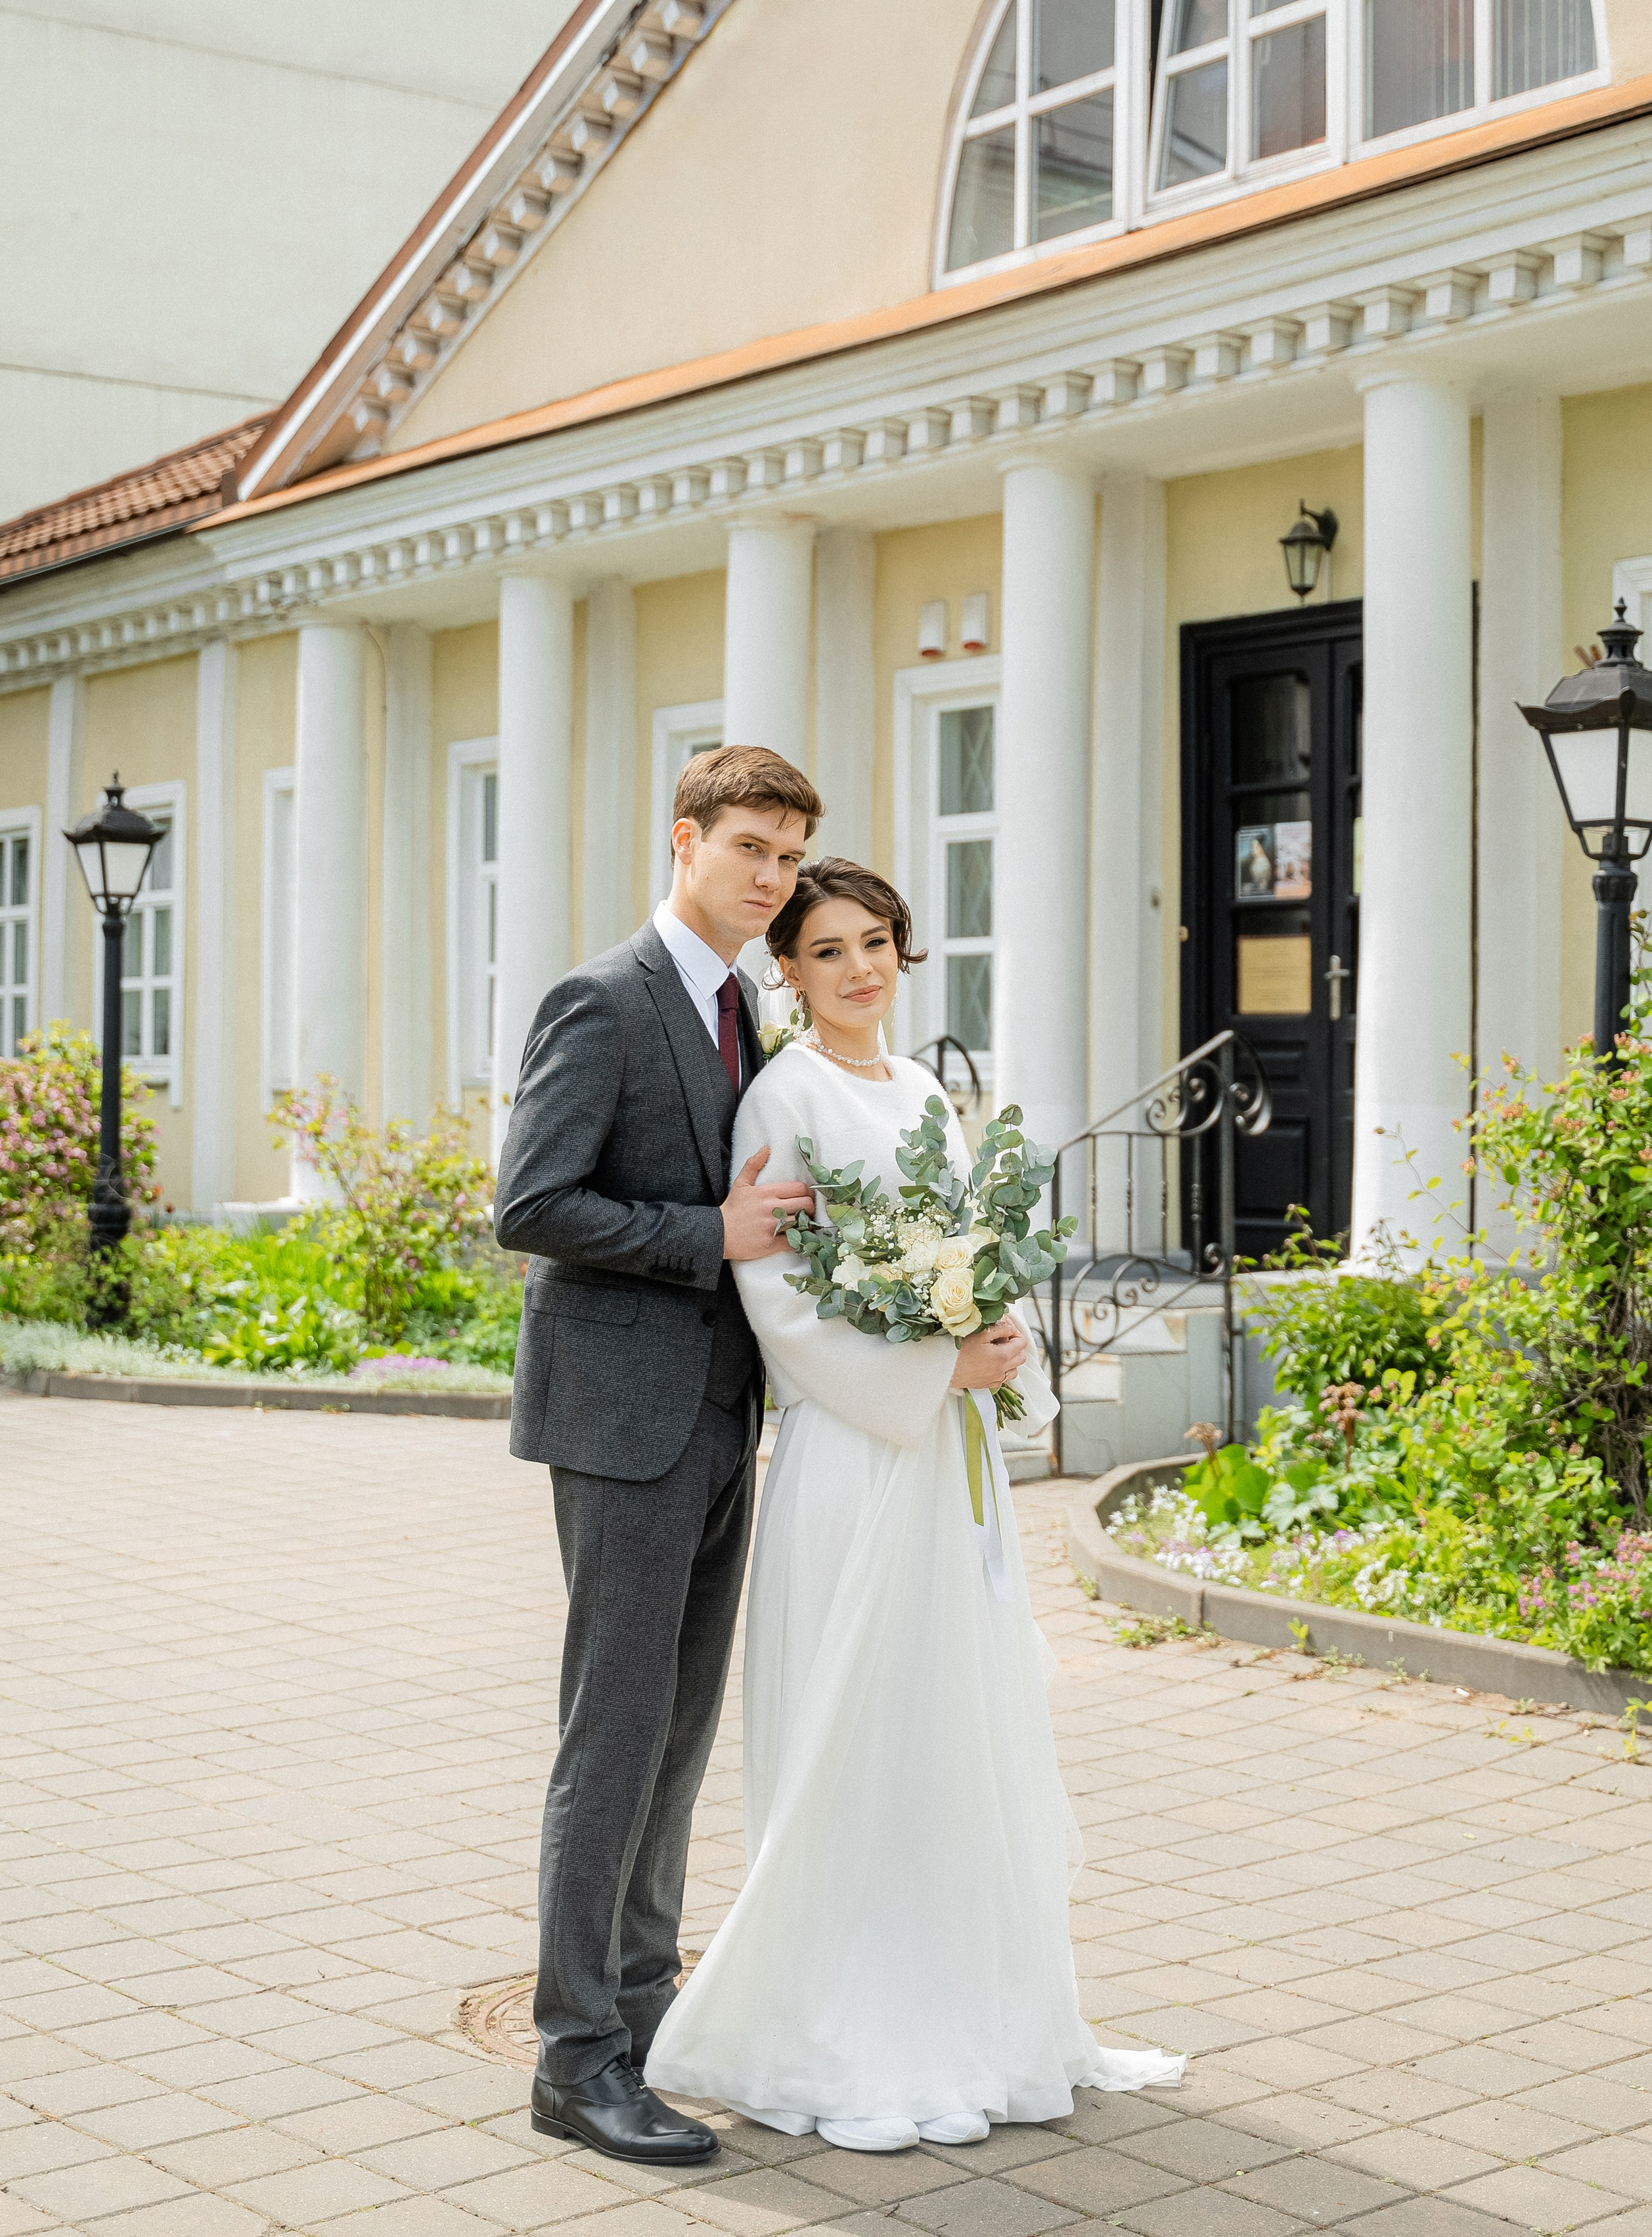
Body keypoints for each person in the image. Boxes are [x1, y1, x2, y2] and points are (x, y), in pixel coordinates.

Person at [646, 858, 1184, 2151]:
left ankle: (977, 2015)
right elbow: (777, 1292)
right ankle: (846, 2025)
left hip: (948, 1464)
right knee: (860, 1720)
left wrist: (990, 1347)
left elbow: (971, 1247)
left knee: (954, 1718)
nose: (859, 968)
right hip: (853, 1452)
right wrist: (929, 1366)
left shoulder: (931, 1096)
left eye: (877, 942)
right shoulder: (782, 1092)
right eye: (827, 950)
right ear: (789, 969)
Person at [495, 745, 823, 2167]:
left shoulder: (750, 1007)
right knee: (613, 1738)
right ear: (682, 840)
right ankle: (574, 2060)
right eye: (749, 847)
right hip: (619, 1419)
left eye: (789, 856)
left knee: (678, 1741)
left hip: (716, 1413)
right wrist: (712, 1238)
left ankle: (641, 2011)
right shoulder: (604, 999)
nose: (771, 877)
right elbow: (531, 1201)